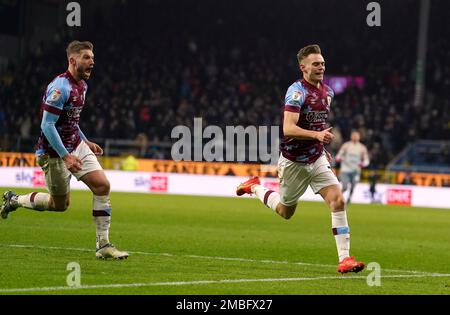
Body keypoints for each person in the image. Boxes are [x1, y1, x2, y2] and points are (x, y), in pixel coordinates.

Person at [236, 44, 364, 274]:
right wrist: (317, 135)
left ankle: (344, 259)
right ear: (303, 67)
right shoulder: (296, 92)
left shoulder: (328, 93)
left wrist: (320, 144)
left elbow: (317, 122)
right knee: (286, 212)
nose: (321, 67)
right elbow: (288, 128)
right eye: (316, 63)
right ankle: (255, 187)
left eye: (323, 63)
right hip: (293, 161)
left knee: (338, 200)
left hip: (316, 159)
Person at [1, 41, 128, 260]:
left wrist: (85, 141)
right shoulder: (61, 88)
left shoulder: (83, 86)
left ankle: (103, 245)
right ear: (73, 60)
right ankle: (14, 200)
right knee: (59, 205)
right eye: (87, 57)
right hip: (54, 152)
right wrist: (65, 156)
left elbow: (71, 119)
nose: (92, 62)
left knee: (102, 186)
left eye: (93, 58)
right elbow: (47, 125)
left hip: (76, 145)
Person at [335, 131, 370, 204]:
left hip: (356, 171)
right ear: (351, 137)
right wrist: (339, 158)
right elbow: (338, 155)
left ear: (359, 137)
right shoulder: (346, 146)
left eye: (356, 136)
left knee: (353, 186)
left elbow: (366, 160)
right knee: (344, 187)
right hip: (345, 170)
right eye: (353, 136)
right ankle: (338, 198)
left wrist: (363, 164)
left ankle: (349, 198)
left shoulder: (362, 148)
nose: (355, 137)